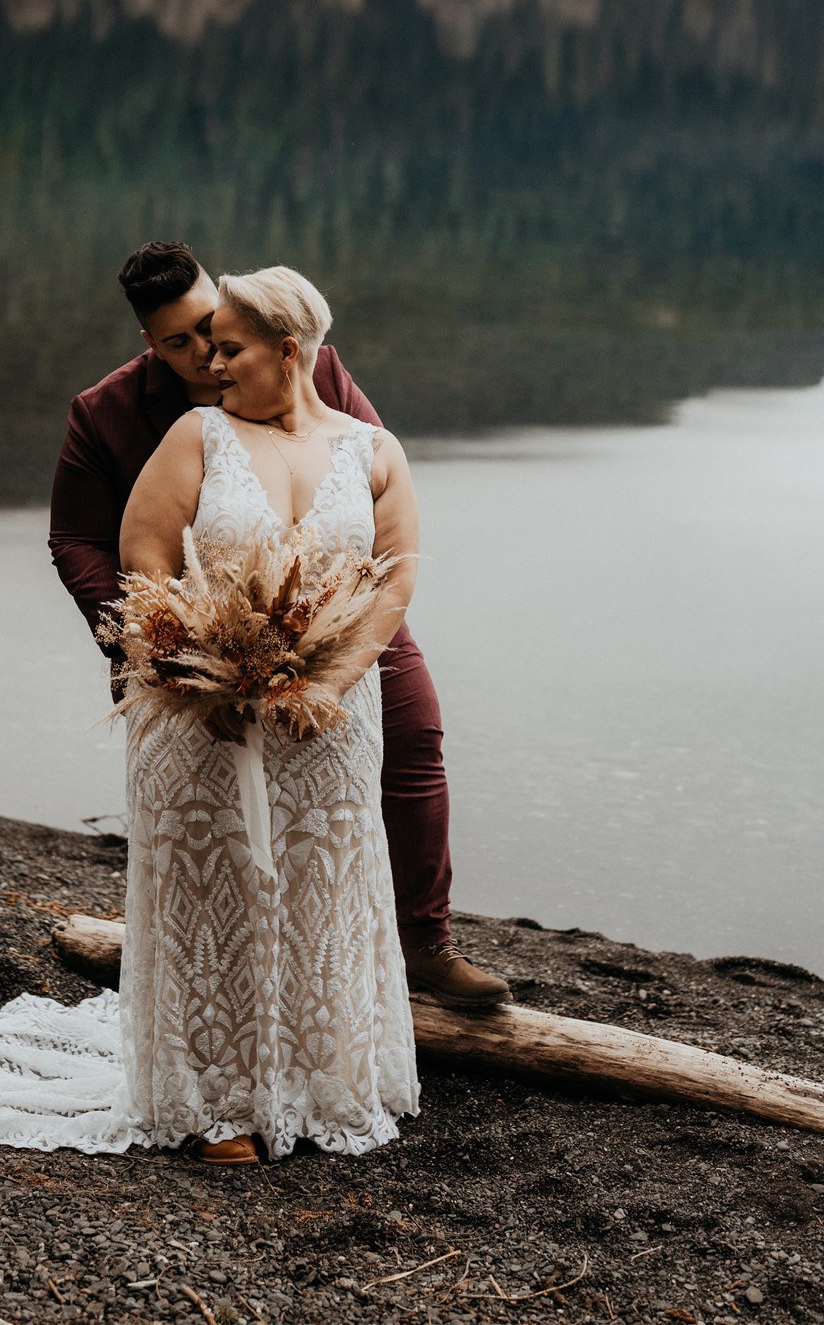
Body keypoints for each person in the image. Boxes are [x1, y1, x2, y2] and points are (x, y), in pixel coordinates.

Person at [0, 265, 421, 1161]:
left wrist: (330, 683)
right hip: (197, 710)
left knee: (322, 885)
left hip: (329, 715)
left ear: (288, 350)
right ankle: (218, 1106)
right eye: (199, 348)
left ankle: (319, 1084)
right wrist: (189, 676)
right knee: (214, 890)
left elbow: (395, 576)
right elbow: (142, 564)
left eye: (229, 349)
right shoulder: (197, 436)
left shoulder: (372, 448)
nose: (213, 366)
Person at [50, 240, 510, 1010]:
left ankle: (424, 945)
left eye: (213, 331)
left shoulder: (310, 370)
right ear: (147, 344)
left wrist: (338, 643)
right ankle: (231, 974)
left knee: (415, 740)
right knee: (217, 812)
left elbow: (358, 488)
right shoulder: (105, 412)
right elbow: (79, 541)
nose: (205, 356)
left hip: (331, 614)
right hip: (184, 633)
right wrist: (154, 638)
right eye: (179, 343)